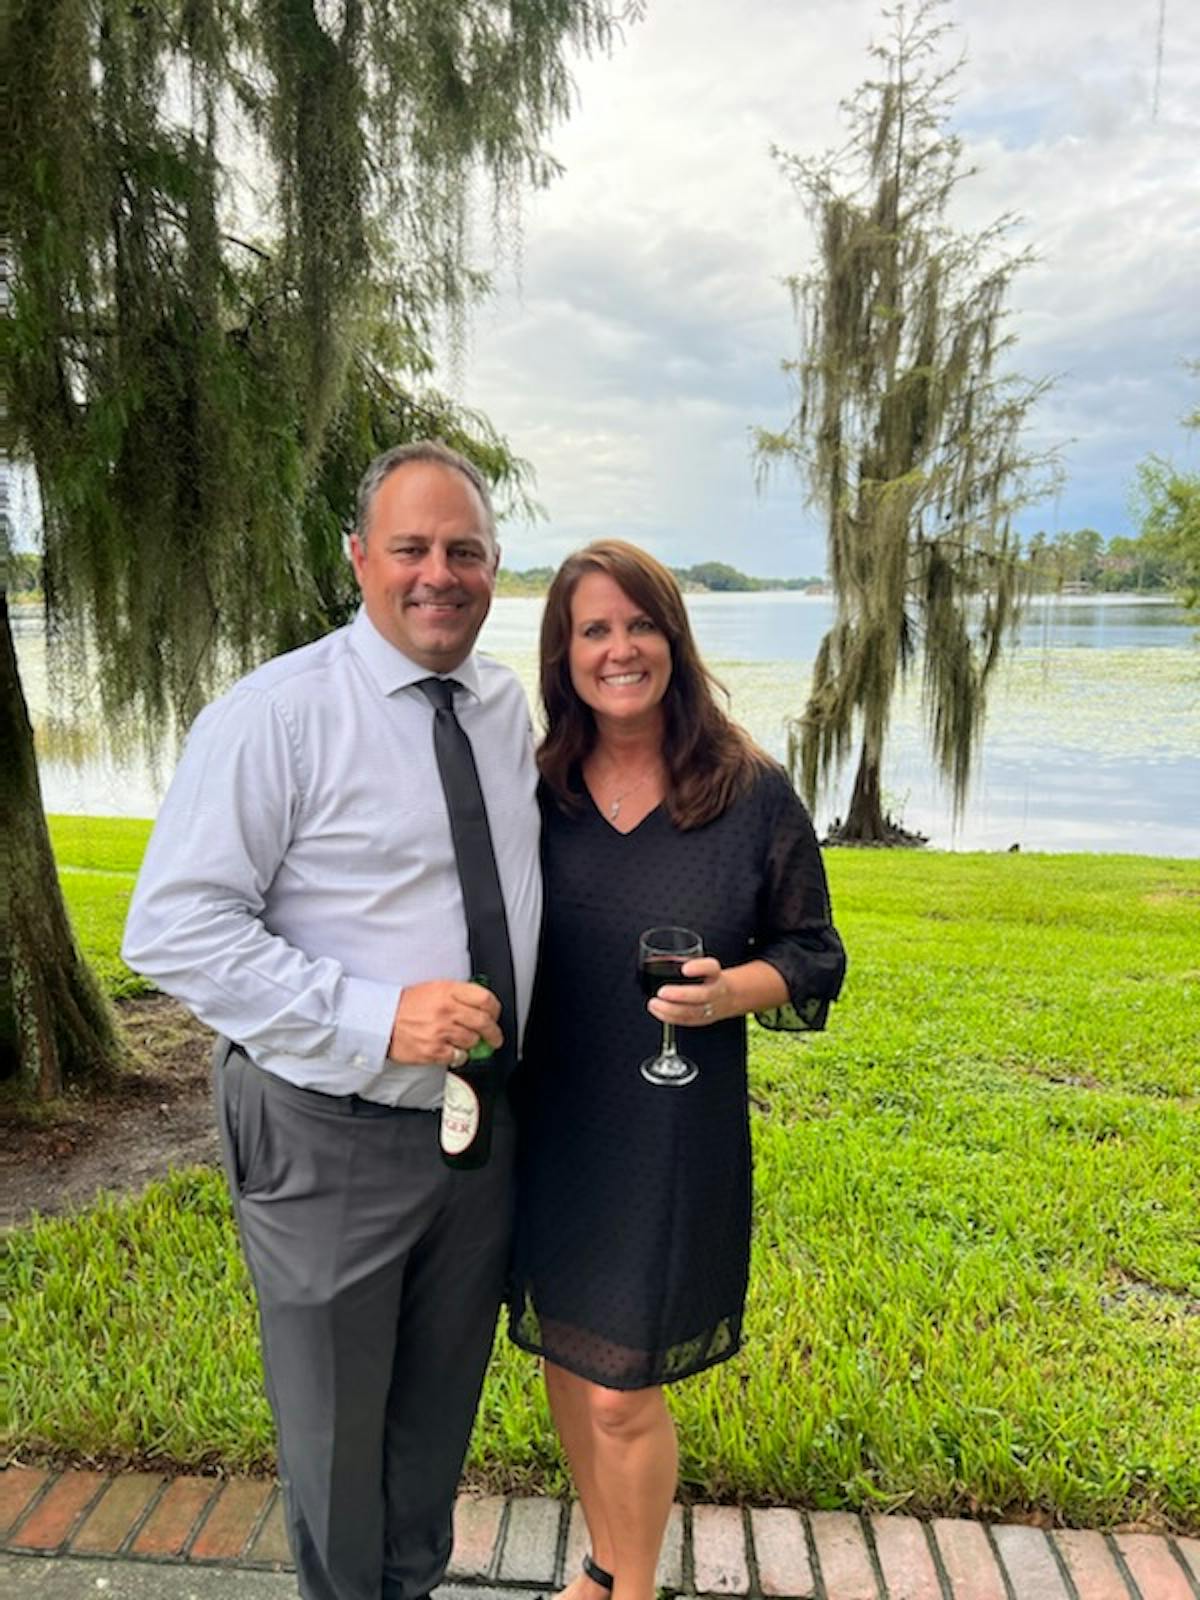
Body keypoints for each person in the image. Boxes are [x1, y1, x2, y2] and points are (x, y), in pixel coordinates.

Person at [122, 441, 542, 1600]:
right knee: (337, 1456)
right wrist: (375, 1015)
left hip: (477, 1139)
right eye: (410, 547)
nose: (438, 573)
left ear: (496, 567)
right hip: (326, 1136)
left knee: (427, 1448)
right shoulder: (276, 717)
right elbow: (173, 928)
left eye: (464, 550)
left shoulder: (504, 708)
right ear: (358, 557)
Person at [507, 540, 845, 1600]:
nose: (619, 649)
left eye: (639, 624)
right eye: (592, 630)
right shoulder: (540, 788)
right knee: (569, 1358)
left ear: (674, 638)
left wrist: (728, 992)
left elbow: (815, 953)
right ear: (562, 656)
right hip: (554, 1119)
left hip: (669, 1128)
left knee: (623, 1392)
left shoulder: (748, 794)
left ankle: (637, 1590)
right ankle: (601, 1569)